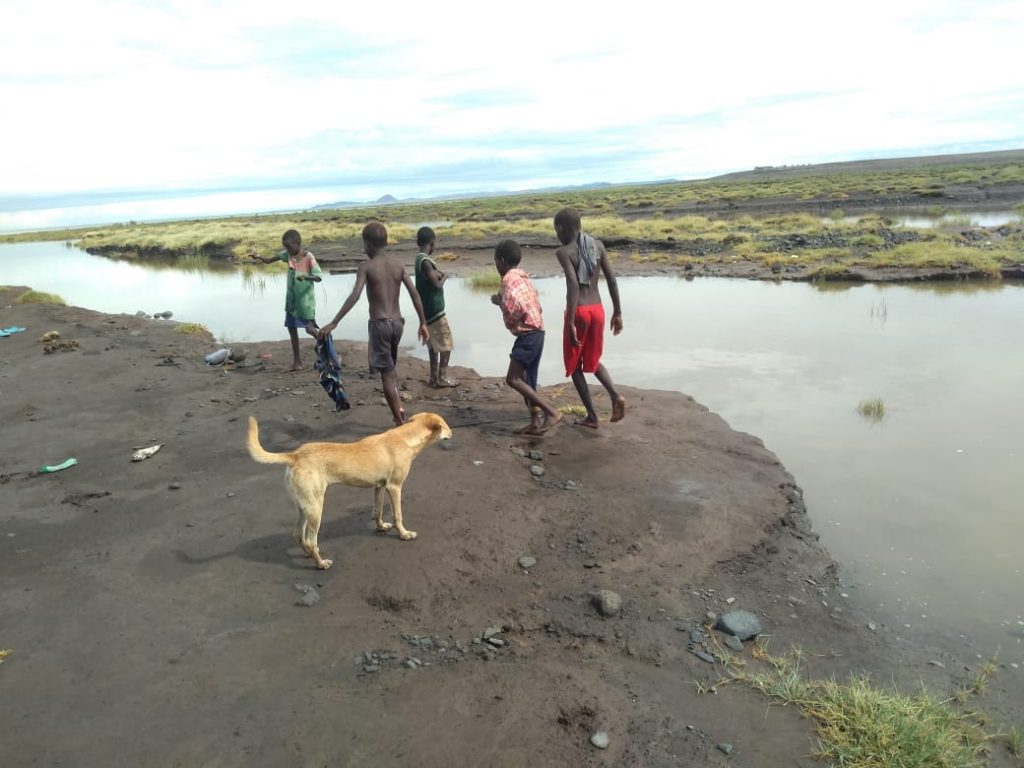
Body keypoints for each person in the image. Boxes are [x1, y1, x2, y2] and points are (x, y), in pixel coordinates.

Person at [319, 222, 429, 426]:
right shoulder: (398, 265)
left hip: (379, 324)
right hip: (398, 323)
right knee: (390, 367)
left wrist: (334, 322)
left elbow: (355, 295)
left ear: (367, 244)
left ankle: (398, 420)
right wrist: (423, 322)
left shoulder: (366, 266)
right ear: (386, 242)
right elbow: (414, 294)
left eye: (364, 244)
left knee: (386, 374)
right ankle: (398, 406)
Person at [553, 207, 625, 428]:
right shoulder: (598, 246)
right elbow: (612, 280)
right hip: (598, 310)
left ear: (563, 229)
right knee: (592, 362)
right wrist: (618, 312)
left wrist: (572, 320)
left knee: (575, 367)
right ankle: (615, 395)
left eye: (557, 230)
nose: (557, 234)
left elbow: (573, 285)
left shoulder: (564, 252)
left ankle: (592, 416)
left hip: (580, 311)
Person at [491, 239, 562, 435]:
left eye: (496, 262)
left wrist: (501, 303)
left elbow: (516, 309)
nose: (496, 266)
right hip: (538, 332)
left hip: (528, 335)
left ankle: (551, 412)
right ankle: (535, 422)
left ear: (502, 261)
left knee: (513, 379)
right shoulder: (523, 277)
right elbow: (535, 305)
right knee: (527, 380)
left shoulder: (507, 280)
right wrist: (501, 301)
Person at [250, 229, 332, 372]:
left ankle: (331, 354)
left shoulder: (308, 257)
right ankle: (297, 362)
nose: (287, 250)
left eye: (289, 247)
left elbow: (318, 277)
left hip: (305, 303)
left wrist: (306, 276)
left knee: (310, 329)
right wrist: (258, 257)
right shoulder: (288, 255)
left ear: (297, 243)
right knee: (291, 329)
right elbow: (269, 261)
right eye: (286, 248)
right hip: (291, 303)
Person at [413, 226, 457, 388]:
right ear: (432, 243)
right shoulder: (425, 262)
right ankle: (442, 378)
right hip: (436, 312)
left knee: (433, 346)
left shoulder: (419, 260)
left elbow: (432, 276)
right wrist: (445, 276)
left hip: (426, 312)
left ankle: (433, 378)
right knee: (446, 345)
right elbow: (437, 284)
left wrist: (438, 273)